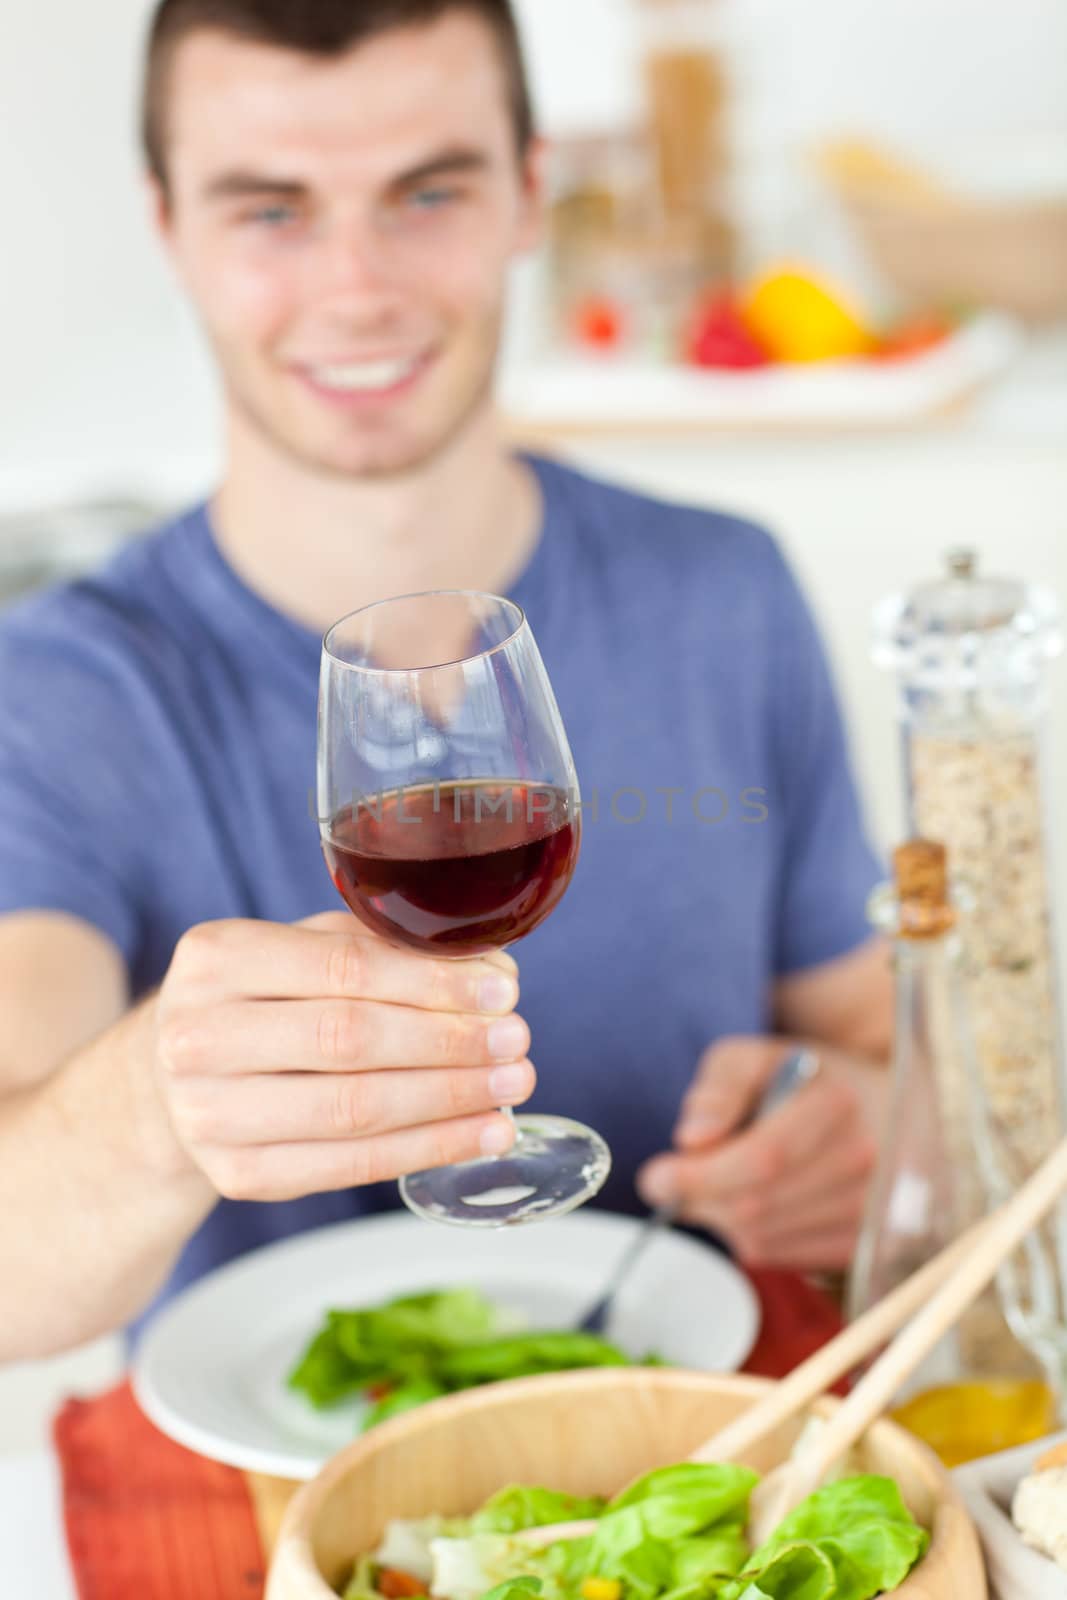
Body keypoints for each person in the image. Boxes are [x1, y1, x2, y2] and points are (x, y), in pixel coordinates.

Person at [0, 0, 892, 1363]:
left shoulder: (726, 592)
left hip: (696, 1422)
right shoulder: (55, 691)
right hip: (269, 1483)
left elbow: (893, 1053)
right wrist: (147, 1104)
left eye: (427, 192)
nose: (358, 287)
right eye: (271, 210)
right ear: (169, 227)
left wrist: (874, 1131)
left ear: (531, 192)